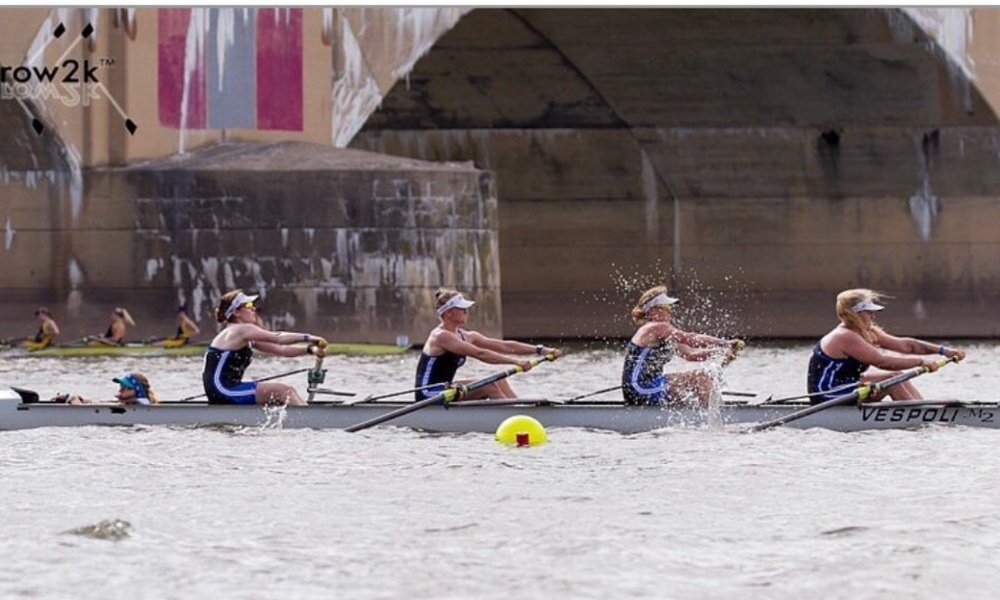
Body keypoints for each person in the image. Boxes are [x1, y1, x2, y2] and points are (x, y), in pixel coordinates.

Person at [807, 288, 965, 403]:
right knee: (891, 380)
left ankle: (921, 407)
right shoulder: (844, 336)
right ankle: (917, 415)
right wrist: (921, 362)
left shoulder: (866, 332)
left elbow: (906, 346)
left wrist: (944, 351)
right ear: (854, 314)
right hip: (828, 395)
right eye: (868, 311)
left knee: (896, 375)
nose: (873, 315)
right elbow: (883, 362)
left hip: (848, 387)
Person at [414, 288, 561, 402]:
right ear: (449, 313)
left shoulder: (467, 335)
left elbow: (504, 346)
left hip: (446, 388)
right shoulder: (441, 336)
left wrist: (540, 349)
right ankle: (512, 417)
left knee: (498, 379)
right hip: (428, 393)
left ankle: (518, 408)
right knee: (489, 386)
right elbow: (480, 354)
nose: (466, 311)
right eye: (462, 308)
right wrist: (516, 362)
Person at [622, 285, 743, 406]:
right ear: (653, 310)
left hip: (651, 386)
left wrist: (721, 352)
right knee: (700, 378)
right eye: (666, 307)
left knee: (696, 386)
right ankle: (721, 417)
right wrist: (724, 343)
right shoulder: (655, 327)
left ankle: (710, 414)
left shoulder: (663, 334)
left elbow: (691, 354)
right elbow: (690, 339)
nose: (670, 311)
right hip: (639, 389)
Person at [202, 289, 328, 406]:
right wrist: (309, 338)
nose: (254, 309)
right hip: (223, 390)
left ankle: (307, 413)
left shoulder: (242, 335)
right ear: (236, 312)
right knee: (285, 391)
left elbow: (282, 350)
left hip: (226, 389)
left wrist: (310, 349)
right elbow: (278, 337)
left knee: (288, 391)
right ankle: (311, 420)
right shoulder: (240, 330)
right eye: (249, 306)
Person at [52, 372, 160, 405]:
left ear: (138, 391)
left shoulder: (142, 402)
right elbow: (98, 403)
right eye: (121, 386)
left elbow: (83, 412)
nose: (121, 390)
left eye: (126, 388)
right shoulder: (127, 401)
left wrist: (72, 399)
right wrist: (81, 399)